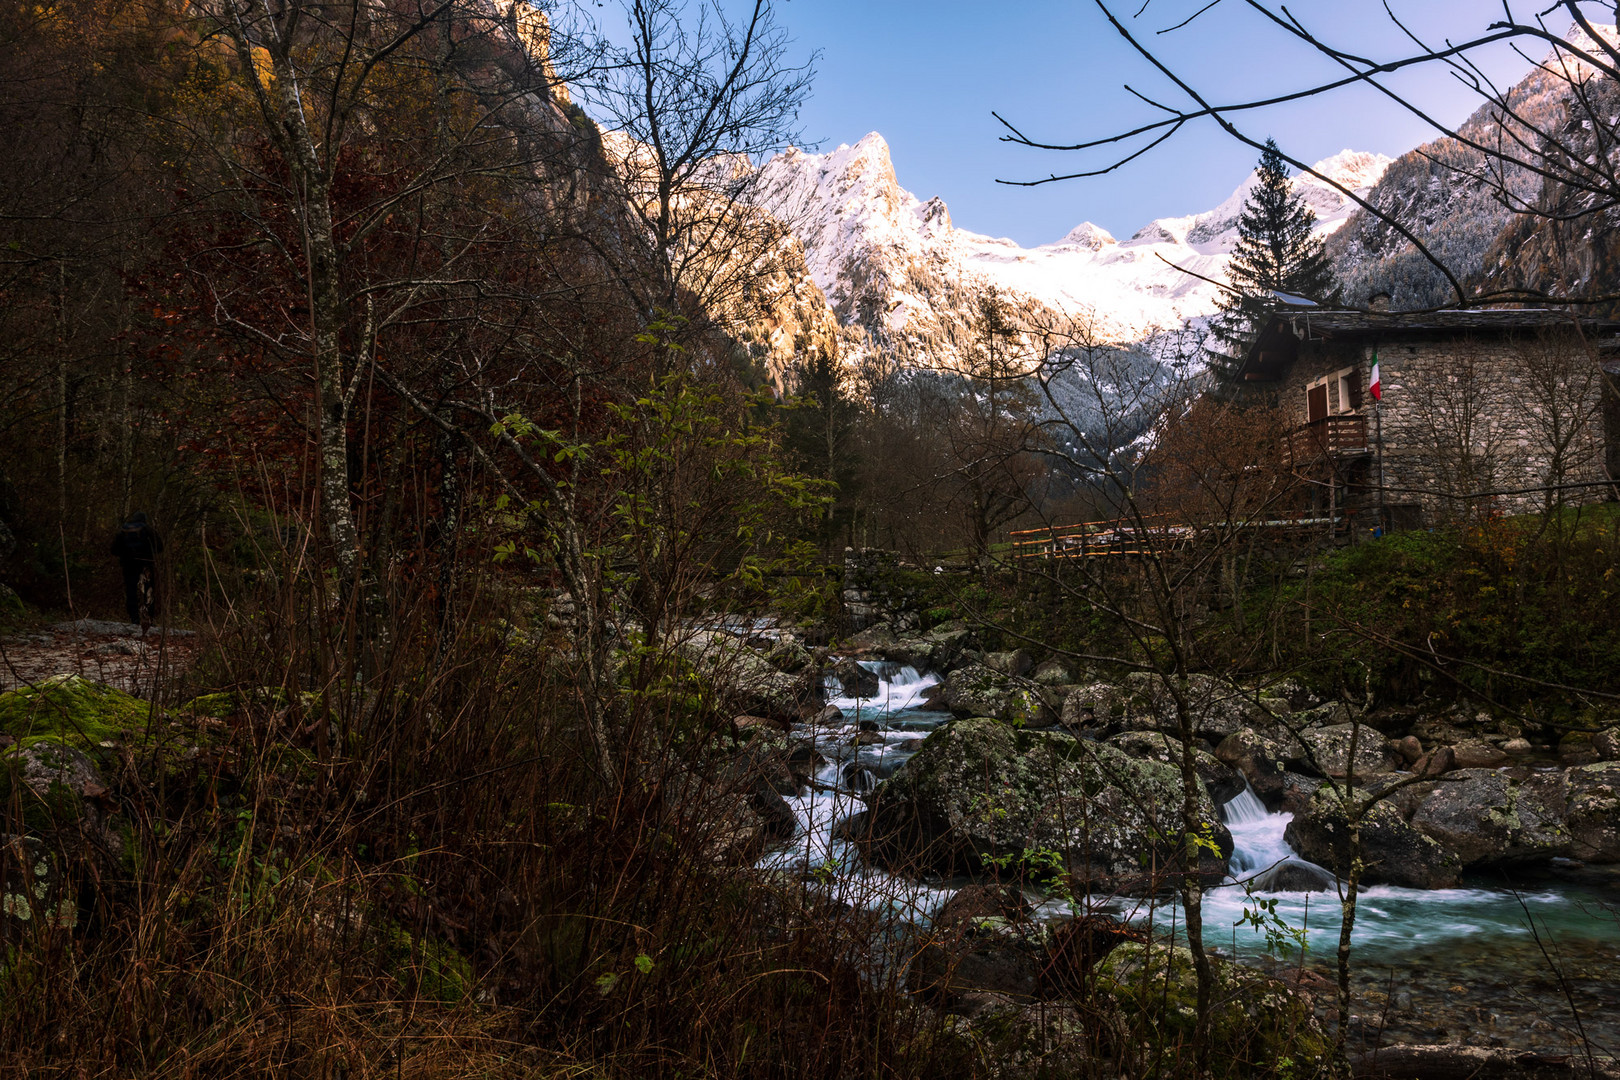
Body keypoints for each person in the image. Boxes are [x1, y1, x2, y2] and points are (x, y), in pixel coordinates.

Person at [110, 511, 163, 628]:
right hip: (146, 565)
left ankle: (134, 619)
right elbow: (160, 547)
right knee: (148, 591)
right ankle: (148, 619)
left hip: (128, 566)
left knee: (131, 592)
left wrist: (126, 554)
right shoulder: (148, 530)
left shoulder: (123, 531)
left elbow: (113, 550)